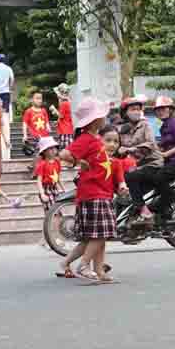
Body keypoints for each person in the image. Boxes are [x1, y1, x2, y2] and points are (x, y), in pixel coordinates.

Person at [58, 97, 119, 284]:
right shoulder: (86, 139)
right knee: (101, 234)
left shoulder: (94, 139)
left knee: (96, 236)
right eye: (101, 116)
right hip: (94, 194)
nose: (104, 119)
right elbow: (64, 154)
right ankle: (84, 265)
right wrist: (79, 162)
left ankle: (98, 270)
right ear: (95, 120)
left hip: (98, 192)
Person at [125, 95, 175, 223]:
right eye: (158, 109)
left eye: (163, 108)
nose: (160, 111)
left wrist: (166, 154)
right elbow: (162, 144)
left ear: (170, 109)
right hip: (167, 161)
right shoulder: (163, 126)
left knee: (158, 177)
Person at [21, 89, 51, 155]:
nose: (39, 100)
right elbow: (24, 123)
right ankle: (33, 165)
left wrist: (48, 127)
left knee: (44, 153)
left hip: (44, 136)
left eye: (40, 98)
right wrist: (25, 135)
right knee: (37, 153)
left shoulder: (43, 110)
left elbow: (46, 121)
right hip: (34, 136)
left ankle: (35, 165)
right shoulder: (28, 111)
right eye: (37, 98)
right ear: (31, 100)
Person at [54, 83, 74, 149]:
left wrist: (54, 110)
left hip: (64, 130)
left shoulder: (64, 104)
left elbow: (61, 116)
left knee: (64, 149)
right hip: (68, 129)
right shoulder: (68, 102)